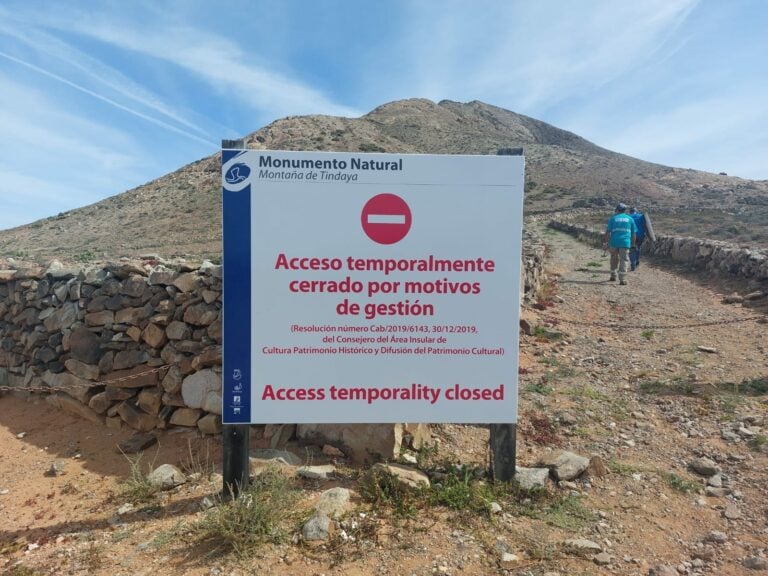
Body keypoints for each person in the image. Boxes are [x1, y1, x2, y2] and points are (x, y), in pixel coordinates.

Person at [603, 203, 637, 285]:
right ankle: (623, 279)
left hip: (614, 242)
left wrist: (606, 242)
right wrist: (633, 244)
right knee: (624, 260)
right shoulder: (630, 219)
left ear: (617, 210)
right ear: (625, 210)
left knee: (614, 259)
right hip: (625, 243)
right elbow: (633, 234)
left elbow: (608, 232)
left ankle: (613, 275)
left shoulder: (613, 218)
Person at [628, 207, 652, 271]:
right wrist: (649, 236)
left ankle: (633, 263)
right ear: (636, 211)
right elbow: (646, 226)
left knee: (632, 248)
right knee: (638, 247)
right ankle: (637, 262)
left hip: (630, 235)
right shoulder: (641, 216)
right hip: (640, 235)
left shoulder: (628, 217)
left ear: (630, 211)